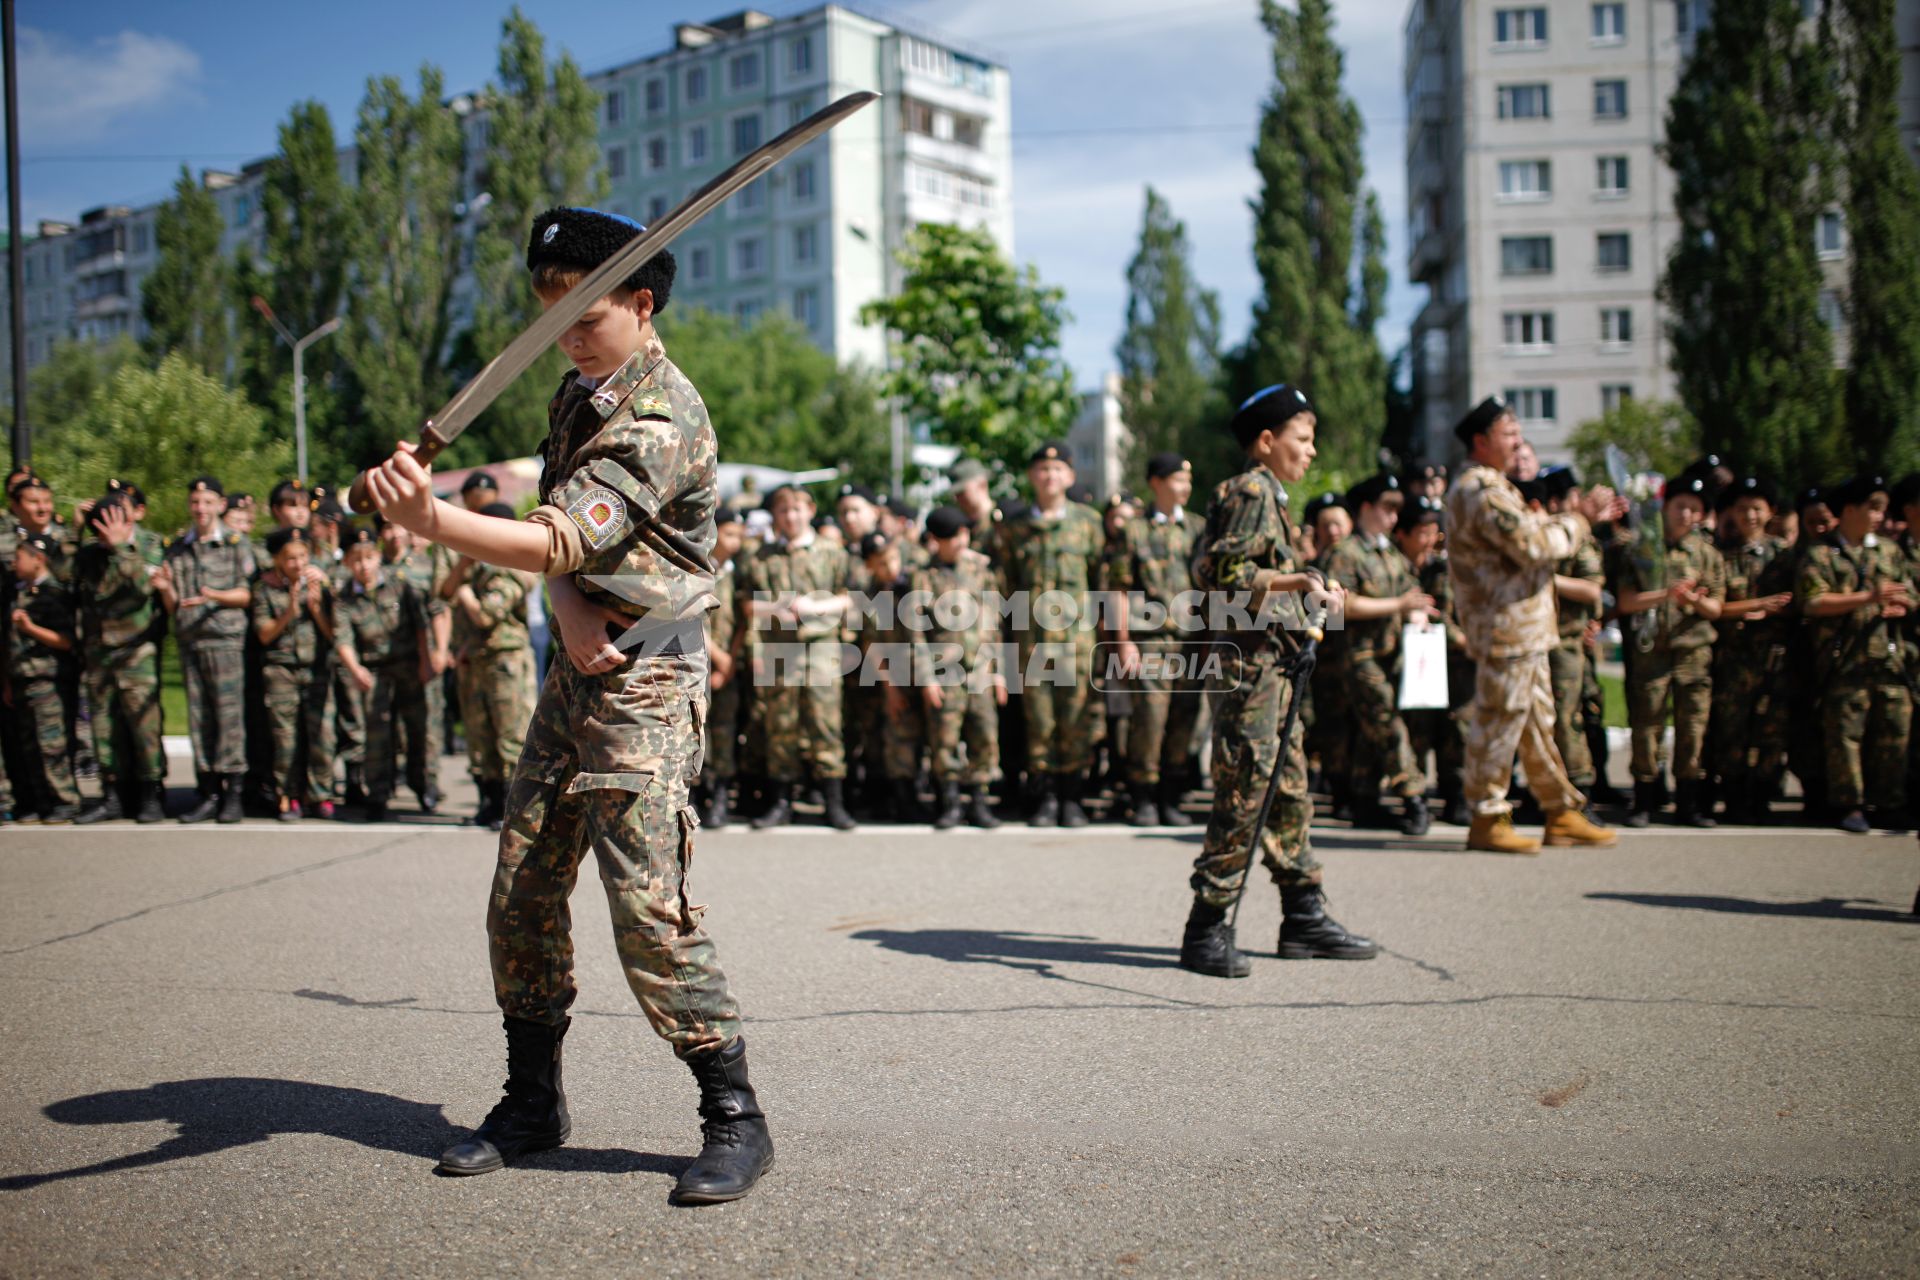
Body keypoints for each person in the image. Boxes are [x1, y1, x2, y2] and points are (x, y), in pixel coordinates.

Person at [362, 204, 772, 1203]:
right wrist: (564, 602)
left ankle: (736, 1116)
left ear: (641, 302)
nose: (565, 332)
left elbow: (557, 533)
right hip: (581, 658)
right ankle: (531, 1101)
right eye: (549, 313)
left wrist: (433, 520)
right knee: (523, 891)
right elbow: (559, 526)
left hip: (657, 660)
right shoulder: (575, 394)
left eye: (583, 313)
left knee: (648, 905)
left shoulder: (661, 412)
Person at [1180, 384, 1375, 978]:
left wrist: (1308, 586)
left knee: (1288, 794)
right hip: (1249, 672)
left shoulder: (1269, 494)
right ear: (1267, 442)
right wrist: (1300, 582)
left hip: (1272, 667)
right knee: (1245, 794)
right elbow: (1222, 573)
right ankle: (1206, 927)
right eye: (1303, 439)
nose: (1311, 451)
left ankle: (1303, 916)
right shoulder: (1252, 489)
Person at [1445, 396, 1622, 853]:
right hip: (1506, 627)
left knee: (1535, 722)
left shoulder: (1493, 486)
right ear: (1481, 442)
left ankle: (1559, 809)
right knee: (1499, 721)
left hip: (1522, 625)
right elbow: (1533, 545)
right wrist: (1579, 519)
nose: (1518, 443)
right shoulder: (1480, 490)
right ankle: (1486, 816)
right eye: (1510, 436)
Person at [1798, 475, 1914, 833]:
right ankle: (1850, 805)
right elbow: (1812, 601)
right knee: (1845, 735)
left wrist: (1903, 605)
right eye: (1873, 508)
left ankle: (1890, 802)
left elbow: (1909, 593)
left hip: (1888, 659)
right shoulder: (1821, 553)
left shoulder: (1890, 551)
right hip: (1844, 662)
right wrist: (1867, 598)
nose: (1880, 516)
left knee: (1894, 729)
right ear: (1849, 510)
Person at [997, 442, 1105, 827]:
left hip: (1077, 643)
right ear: (1031, 477)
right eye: (1042, 469)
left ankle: (1072, 798)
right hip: (1032, 644)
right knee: (1039, 723)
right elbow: (1006, 587)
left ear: (1070, 477)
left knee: (1076, 722)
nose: (1049, 476)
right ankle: (1044, 799)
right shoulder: (1015, 529)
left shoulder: (1089, 523)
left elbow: (1101, 583)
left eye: (1057, 469)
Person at [1323, 473, 1436, 835]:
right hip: (1360, 655)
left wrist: (1416, 612)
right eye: (1387, 508)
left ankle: (1365, 801)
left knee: (1372, 727)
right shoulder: (1346, 553)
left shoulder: (1390, 554)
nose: (1393, 516)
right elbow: (1343, 606)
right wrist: (1398, 605)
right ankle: (1414, 796)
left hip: (1392, 653)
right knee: (1386, 722)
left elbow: (1411, 594)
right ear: (1367, 508)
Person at [741, 483, 856, 831]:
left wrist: (815, 607)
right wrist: (778, 609)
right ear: (775, 516)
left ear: (810, 510)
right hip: (780, 646)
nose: (790, 516)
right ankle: (781, 801)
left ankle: (833, 801)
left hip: (821, 645)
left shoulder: (832, 551)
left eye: (797, 509)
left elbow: (850, 597)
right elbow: (747, 603)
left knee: (825, 721)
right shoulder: (761, 556)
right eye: (783, 510)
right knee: (781, 723)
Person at [1614, 474, 1727, 827]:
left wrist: (1692, 600)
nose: (1687, 515)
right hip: (1654, 651)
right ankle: (1644, 797)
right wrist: (1665, 594)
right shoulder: (1643, 551)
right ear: (1665, 508)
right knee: (1647, 724)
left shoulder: (1707, 555)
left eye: (1695, 510)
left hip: (1693, 652)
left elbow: (1717, 608)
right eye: (1681, 507)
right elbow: (1626, 601)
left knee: (1692, 725)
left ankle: (1688, 801)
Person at [1106, 453, 1202, 827]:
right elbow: (1117, 589)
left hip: (1191, 640)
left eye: (1188, 481)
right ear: (1156, 483)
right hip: (1149, 641)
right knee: (1149, 718)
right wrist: (1123, 641)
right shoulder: (1134, 530)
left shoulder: (1198, 529)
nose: (1185, 487)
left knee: (1184, 720)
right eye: (1178, 479)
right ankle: (1142, 795)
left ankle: (1170, 795)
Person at [155, 476, 255, 825]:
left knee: (229, 720)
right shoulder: (178, 547)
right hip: (190, 640)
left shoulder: (235, 544)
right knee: (200, 719)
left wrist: (214, 595)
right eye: (195, 502)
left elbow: (246, 595)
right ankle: (208, 791)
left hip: (224, 641)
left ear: (221, 505)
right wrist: (166, 588)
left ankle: (233, 794)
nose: (200, 509)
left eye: (208, 502)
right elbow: (172, 605)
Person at [72, 485, 168, 825]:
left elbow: (142, 585)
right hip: (99, 652)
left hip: (135, 651)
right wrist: (75, 530)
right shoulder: (87, 554)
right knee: (103, 726)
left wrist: (120, 549)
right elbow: (59, 575)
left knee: (143, 725)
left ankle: (150, 792)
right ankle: (112, 794)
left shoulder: (149, 545)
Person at [911, 505, 1005, 829]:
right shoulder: (924, 576)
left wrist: (999, 671)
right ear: (936, 540)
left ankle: (979, 802)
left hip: (979, 670)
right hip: (945, 670)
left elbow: (994, 623)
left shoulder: (981, 571)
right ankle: (949, 802)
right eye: (953, 536)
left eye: (964, 533)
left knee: (984, 735)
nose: (962, 540)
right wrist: (926, 679)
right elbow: (916, 633)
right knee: (945, 739)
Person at [449, 503, 540, 833]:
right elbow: (442, 592)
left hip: (506, 661)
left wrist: (464, 595)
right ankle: (488, 800)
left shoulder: (513, 568)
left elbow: (487, 613)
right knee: (480, 735)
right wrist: (462, 564)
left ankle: (511, 804)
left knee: (510, 735)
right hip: (476, 659)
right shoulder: (478, 569)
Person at [1710, 477, 1796, 823]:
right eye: (1743, 508)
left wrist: (1777, 609)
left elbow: (1802, 602)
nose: (1750, 516)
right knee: (1731, 729)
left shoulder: (1785, 557)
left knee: (1771, 729)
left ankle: (1762, 796)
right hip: (1734, 659)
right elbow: (1713, 604)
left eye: (1757, 508)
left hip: (1775, 659)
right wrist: (1753, 606)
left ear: (1770, 512)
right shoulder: (1721, 555)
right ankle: (1733, 797)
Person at [333, 524, 431, 824]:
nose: (364, 566)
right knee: (377, 737)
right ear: (348, 563)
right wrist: (356, 669)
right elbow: (343, 639)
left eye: (369, 558)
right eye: (357, 560)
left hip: (407, 666)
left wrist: (427, 661)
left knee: (417, 731)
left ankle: (422, 785)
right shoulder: (344, 597)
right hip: (374, 672)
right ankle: (377, 794)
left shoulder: (400, 585)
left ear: (377, 558)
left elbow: (420, 625)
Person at [252, 526, 336, 821]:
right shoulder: (264, 589)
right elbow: (264, 635)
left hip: (316, 668)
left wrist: (316, 608)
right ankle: (288, 795)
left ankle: (321, 794)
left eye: (303, 556)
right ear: (277, 560)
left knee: (322, 734)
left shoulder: (323, 585)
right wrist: (288, 609)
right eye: (290, 559)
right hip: (281, 669)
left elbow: (332, 634)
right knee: (285, 737)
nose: (298, 564)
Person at [1542, 467, 1606, 807]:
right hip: (1536, 642)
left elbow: (1592, 589)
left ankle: (1580, 793)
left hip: (1566, 643)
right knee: (1542, 722)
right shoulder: (1538, 537)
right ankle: (1550, 794)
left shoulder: (1577, 540)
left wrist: (1544, 580)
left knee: (1567, 720)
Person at [6, 531, 80, 823]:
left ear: (38, 559)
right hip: (22, 677)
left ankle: (65, 799)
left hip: (48, 678)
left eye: (19, 556)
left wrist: (30, 627)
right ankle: (41, 801)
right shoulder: (19, 592)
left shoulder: (55, 593)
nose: (14, 562)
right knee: (31, 746)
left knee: (53, 745)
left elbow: (66, 640)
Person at [700, 508, 746, 828]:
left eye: (739, 536)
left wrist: (730, 661)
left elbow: (746, 620)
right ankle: (694, 792)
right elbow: (695, 619)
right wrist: (718, 658)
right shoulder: (700, 569)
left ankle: (720, 794)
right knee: (698, 729)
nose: (735, 542)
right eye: (729, 534)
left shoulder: (742, 572)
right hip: (701, 662)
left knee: (725, 730)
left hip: (730, 665)